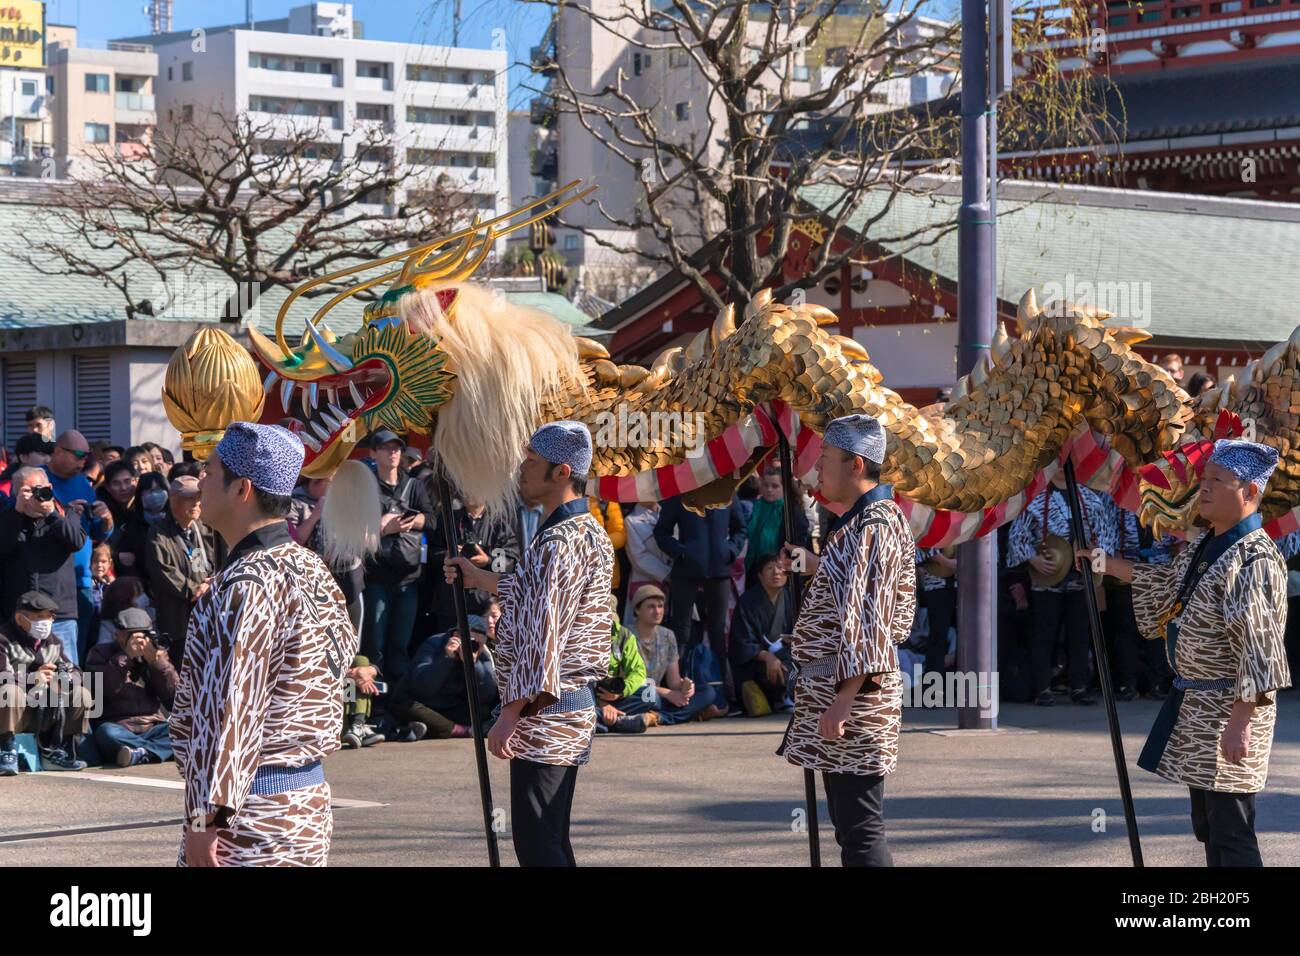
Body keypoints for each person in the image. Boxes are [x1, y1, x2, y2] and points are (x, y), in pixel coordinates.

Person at [1083, 440, 1291, 866]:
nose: (1205, 488)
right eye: (1204, 479)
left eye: (1217, 480)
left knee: (1231, 830)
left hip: (1229, 707)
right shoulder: (1206, 544)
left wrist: (1241, 721)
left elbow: (1258, 645)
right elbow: (1164, 585)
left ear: (1249, 492)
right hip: (1197, 704)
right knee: (1209, 826)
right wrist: (1104, 564)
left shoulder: (1254, 556)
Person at [170, 422, 359, 867]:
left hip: (248, 817)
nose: (200, 483)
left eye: (210, 472)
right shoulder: (310, 566)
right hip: (302, 805)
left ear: (243, 489)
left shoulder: (245, 584)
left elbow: (230, 708)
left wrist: (204, 820)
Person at [444, 420, 614, 867]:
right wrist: (481, 578)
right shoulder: (586, 530)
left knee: (539, 847)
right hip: (562, 704)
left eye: (532, 462)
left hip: (546, 707)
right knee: (550, 841)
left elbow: (544, 634)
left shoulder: (559, 540)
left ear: (561, 472)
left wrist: (511, 712)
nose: (522, 470)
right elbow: (538, 591)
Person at [779, 414, 917, 867]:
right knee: (849, 827)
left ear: (855, 465)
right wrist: (813, 564)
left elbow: (871, 623)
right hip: (838, 691)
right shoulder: (861, 524)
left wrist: (844, 699)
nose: (817, 469)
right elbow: (850, 584)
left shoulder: (874, 525)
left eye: (825, 460)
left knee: (860, 831)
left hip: (853, 697)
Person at [1007, 470, 1117, 706]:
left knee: (1080, 635)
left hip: (1080, 577)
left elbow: (1107, 535)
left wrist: (1096, 556)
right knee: (1044, 636)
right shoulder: (1036, 497)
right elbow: (1017, 537)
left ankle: (1078, 686)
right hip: (1047, 577)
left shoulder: (1089, 498)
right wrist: (1033, 558)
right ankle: (1042, 688)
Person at [361, 429, 435, 701]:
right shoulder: (366, 487)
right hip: (376, 575)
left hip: (408, 575)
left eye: (396, 448)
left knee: (400, 646)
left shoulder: (413, 485)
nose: (393, 452)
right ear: (373, 453)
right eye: (385, 448)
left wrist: (402, 522)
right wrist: (382, 529)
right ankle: (375, 706)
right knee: (375, 645)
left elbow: (431, 520)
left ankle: (400, 705)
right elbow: (356, 526)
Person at [654, 493, 748, 705]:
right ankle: (678, 693)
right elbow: (661, 532)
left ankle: (723, 694)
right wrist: (681, 552)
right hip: (686, 571)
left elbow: (740, 529)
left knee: (717, 633)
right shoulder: (680, 494)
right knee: (682, 633)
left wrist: (730, 550)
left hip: (719, 569)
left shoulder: (727, 493)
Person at [0, 467, 87, 665]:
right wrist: (17, 512)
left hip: (59, 614)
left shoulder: (66, 513)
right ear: (15, 493)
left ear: (49, 487)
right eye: (27, 490)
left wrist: (52, 513)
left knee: (67, 678)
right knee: (19, 678)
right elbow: (3, 546)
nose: (35, 495)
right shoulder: (8, 518)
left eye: (39, 489)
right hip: (19, 616)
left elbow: (76, 541)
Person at [0, 590, 92, 774]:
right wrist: (31, 678)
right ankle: (6, 750)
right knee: (10, 691)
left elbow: (74, 670)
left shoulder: (53, 642)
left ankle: (58, 751)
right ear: (20, 618)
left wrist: (64, 680)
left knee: (81, 694)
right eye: (39, 617)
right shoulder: (3, 638)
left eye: (49, 617)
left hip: (43, 712)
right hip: (11, 712)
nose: (46, 622)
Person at [43, 430, 114, 664]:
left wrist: (107, 520)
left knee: (74, 655)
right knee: (42, 660)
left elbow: (97, 532)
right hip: (45, 581)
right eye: (78, 454)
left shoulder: (83, 485)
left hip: (80, 582)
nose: (84, 461)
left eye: (87, 456)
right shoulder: (39, 480)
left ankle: (74, 699)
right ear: (57, 450)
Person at [84, 607, 179, 767]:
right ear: (118, 634)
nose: (141, 641)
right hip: (117, 725)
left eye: (145, 634)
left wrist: (157, 664)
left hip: (152, 725)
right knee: (106, 733)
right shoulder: (100, 653)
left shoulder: (156, 654)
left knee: (184, 731)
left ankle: (141, 753)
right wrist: (125, 657)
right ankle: (154, 751)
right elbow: (106, 690)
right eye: (134, 635)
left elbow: (173, 696)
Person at [146, 475, 223, 664]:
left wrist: (209, 583)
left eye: (198, 497)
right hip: (177, 620)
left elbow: (219, 562)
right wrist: (196, 590)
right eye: (189, 498)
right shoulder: (158, 532)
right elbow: (164, 571)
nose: (196, 503)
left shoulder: (204, 528)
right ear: (173, 501)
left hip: (206, 614)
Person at [389, 615, 499, 740]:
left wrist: (473, 665)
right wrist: (447, 658)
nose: (471, 646)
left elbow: (487, 695)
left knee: (484, 711)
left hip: (451, 707)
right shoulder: (435, 643)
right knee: (406, 707)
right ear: (457, 635)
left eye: (476, 644)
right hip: (423, 703)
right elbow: (423, 688)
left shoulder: (482, 652)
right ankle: (463, 731)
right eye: (469, 641)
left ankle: (428, 729)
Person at [628, 585, 723, 724]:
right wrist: (667, 693)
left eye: (660, 606)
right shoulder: (626, 635)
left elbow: (673, 681)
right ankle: (688, 714)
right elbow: (628, 681)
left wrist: (685, 686)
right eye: (651, 607)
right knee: (651, 699)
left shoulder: (667, 635)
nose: (657, 611)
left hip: (660, 697)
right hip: (638, 694)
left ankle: (658, 718)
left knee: (708, 692)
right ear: (637, 610)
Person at [288, 471, 365, 632]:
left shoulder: (344, 501)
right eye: (332, 483)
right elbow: (295, 540)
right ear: (317, 482)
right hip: (313, 580)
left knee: (352, 630)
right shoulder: (295, 502)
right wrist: (316, 514)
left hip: (348, 576)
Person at [729, 552, 795, 716]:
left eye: (780, 568)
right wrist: (767, 656)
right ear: (759, 575)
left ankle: (785, 697)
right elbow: (741, 643)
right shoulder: (748, 602)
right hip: (757, 662)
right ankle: (780, 698)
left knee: (799, 666)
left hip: (788, 655)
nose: (776, 572)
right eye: (770, 568)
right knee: (779, 670)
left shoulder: (793, 598)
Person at [594, 595, 657, 734]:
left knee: (650, 694)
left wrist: (621, 692)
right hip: (587, 692)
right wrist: (602, 704)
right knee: (573, 702)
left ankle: (601, 720)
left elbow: (638, 671)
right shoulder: (579, 634)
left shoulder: (624, 635)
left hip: (612, 694)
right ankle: (617, 722)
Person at [744, 470, 810, 583]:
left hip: (782, 575)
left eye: (775, 486)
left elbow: (800, 547)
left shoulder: (792, 512)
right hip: (755, 572)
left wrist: (797, 577)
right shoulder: (755, 508)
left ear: (784, 488)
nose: (769, 490)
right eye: (766, 485)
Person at [114, 471, 169, 582]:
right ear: (140, 495)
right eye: (148, 491)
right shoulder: (133, 524)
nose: (153, 495)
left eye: (158, 489)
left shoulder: (176, 520)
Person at [623, 500, 671, 624]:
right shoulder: (631, 520)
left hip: (675, 583)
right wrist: (667, 575)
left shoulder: (670, 514)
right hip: (646, 582)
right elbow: (639, 557)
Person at [914, 546, 958, 677]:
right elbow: (924, 543)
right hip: (936, 584)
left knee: (965, 633)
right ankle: (934, 685)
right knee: (938, 635)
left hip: (966, 581)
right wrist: (947, 562)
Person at [0, 432, 55, 503]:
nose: (48, 460)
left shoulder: (52, 483)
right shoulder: (5, 489)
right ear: (23, 457)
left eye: (50, 455)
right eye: (42, 454)